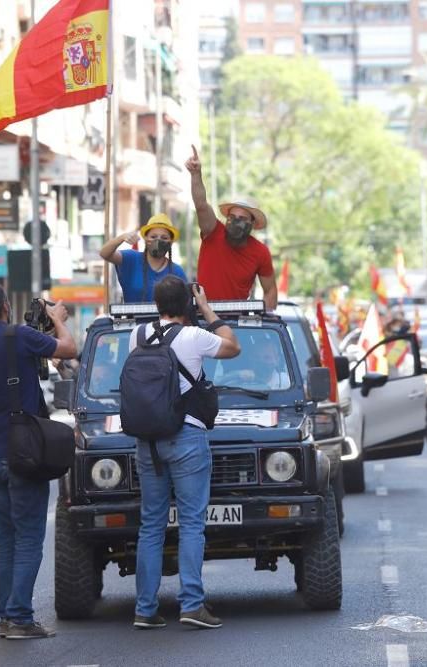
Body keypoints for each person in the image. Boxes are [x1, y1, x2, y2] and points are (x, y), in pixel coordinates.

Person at [0, 282, 78, 640]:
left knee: (6, 537)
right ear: (5, 309)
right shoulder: (19, 336)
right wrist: (56, 318)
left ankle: (6, 615)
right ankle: (20, 618)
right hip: (22, 450)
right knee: (28, 536)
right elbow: (70, 349)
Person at [128, 277, 240, 630]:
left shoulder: (138, 335)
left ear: (156, 304)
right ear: (188, 305)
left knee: (151, 525)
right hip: (187, 436)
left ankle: (145, 609)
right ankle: (191, 604)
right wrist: (206, 308)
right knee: (191, 522)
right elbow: (232, 346)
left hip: (147, 440)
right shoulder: (194, 336)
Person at [185, 146, 277, 310]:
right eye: (231, 217)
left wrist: (263, 319)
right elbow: (201, 205)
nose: (235, 222)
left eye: (241, 219)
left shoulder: (260, 252)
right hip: (203, 314)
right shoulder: (213, 231)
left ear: (252, 224)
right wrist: (196, 175)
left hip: (237, 320)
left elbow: (270, 290)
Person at [100, 214, 188, 303]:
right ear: (145, 239)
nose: (158, 241)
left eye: (164, 238)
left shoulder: (177, 272)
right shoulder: (131, 259)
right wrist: (122, 238)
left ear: (171, 242)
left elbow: (185, 304)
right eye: (153, 237)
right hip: (133, 317)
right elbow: (104, 253)